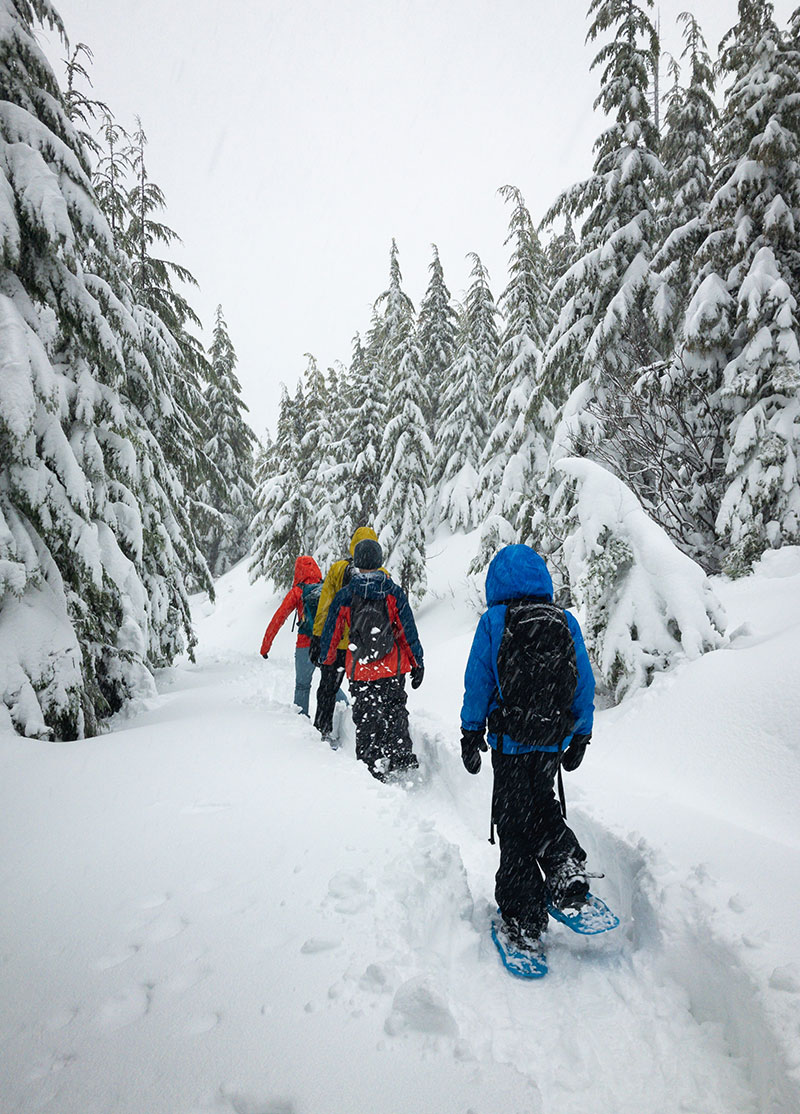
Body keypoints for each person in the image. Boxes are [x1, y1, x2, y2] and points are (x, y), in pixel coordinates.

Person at [460, 543, 595, 954]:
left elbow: (478, 682)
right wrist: (581, 735)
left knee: (513, 823)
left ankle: (524, 916)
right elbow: (583, 682)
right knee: (543, 803)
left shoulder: (494, 621)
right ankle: (564, 864)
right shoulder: (564, 621)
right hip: (551, 740)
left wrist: (470, 733)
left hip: (509, 742)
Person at [318, 537, 424, 779]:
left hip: (361, 669)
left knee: (366, 716)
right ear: (379, 561)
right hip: (392, 667)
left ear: (356, 562)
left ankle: (371, 763)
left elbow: (332, 632)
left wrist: (327, 657)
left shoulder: (346, 595)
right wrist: (417, 661)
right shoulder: (393, 592)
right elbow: (408, 630)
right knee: (395, 709)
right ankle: (400, 756)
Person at [309, 526, 383, 742]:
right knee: (368, 693)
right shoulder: (383, 575)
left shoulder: (338, 569)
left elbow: (325, 606)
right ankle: (369, 739)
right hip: (367, 648)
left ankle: (322, 730)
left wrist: (318, 637)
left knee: (327, 689)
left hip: (338, 644)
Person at [259, 554, 346, 718]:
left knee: (302, 686)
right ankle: (346, 711)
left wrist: (265, 647)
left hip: (305, 646)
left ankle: (301, 723)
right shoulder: (326, 588)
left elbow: (278, 619)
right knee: (330, 682)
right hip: (326, 644)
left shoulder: (297, 592)